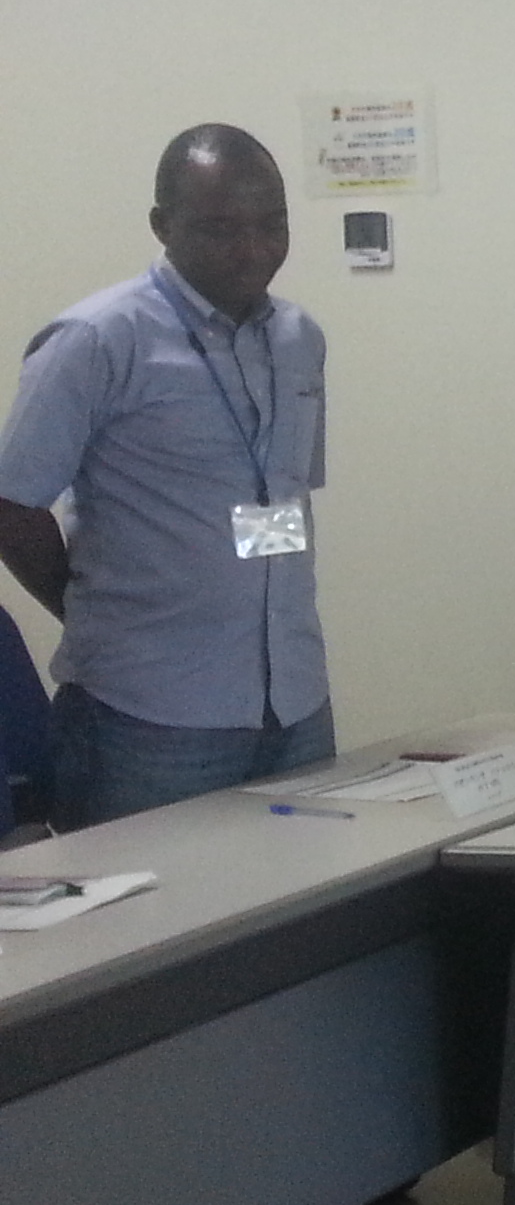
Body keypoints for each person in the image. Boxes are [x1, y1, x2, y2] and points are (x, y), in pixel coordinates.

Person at [0, 126, 334, 823]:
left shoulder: (299, 338)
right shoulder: (97, 339)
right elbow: (11, 504)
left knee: (307, 889)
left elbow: (287, 494)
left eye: (272, 225)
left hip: (293, 701)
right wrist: (88, 612)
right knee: (151, 892)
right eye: (222, 229)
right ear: (162, 225)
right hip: (147, 711)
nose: (253, 249)